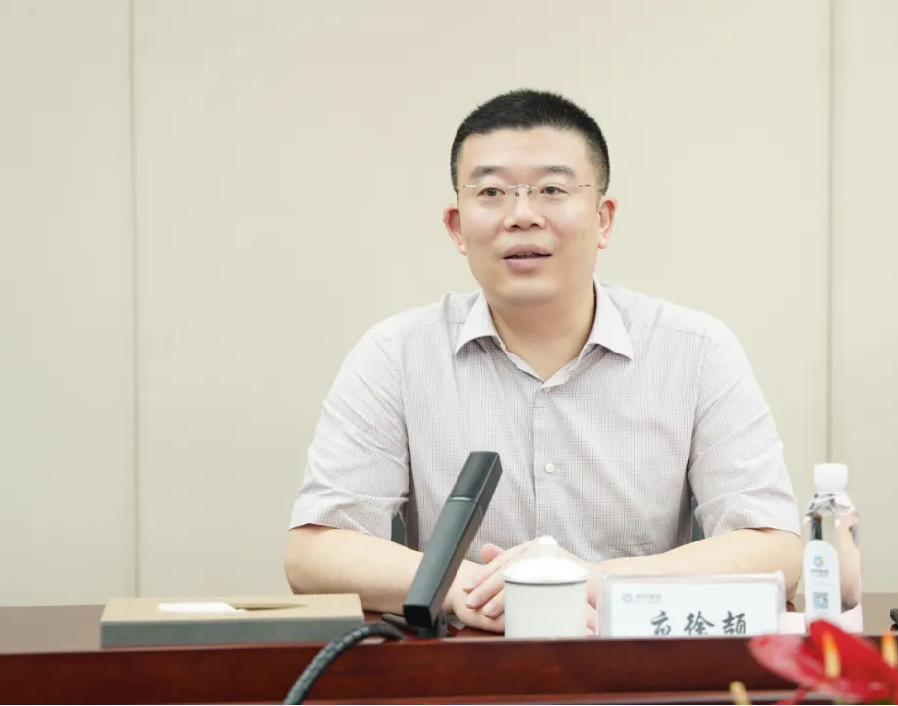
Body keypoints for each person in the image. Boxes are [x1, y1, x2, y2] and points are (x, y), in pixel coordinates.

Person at [284, 88, 803, 634]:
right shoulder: (395, 354)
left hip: (634, 665)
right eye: (491, 192)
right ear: (457, 227)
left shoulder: (696, 351)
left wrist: (589, 582)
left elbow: (773, 549)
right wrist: (473, 587)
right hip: (458, 667)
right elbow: (314, 553)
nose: (523, 215)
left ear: (603, 219)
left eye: (552, 189)